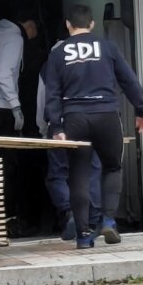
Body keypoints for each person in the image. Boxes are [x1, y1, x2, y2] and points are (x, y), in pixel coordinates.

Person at [43, 4, 143, 249]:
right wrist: (141, 110)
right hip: (106, 115)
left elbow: (52, 93)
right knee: (112, 167)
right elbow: (129, 80)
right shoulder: (107, 47)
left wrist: (57, 127)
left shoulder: (58, 53)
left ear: (68, 24)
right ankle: (108, 220)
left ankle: (83, 235)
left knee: (78, 173)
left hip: (74, 118)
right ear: (92, 24)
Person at [37, 61, 104, 242]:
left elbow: (43, 99)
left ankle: (69, 212)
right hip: (90, 121)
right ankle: (93, 220)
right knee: (91, 170)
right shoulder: (94, 58)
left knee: (58, 173)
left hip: (60, 123)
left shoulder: (51, 63)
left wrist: (44, 128)